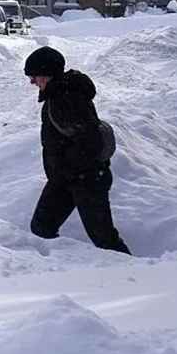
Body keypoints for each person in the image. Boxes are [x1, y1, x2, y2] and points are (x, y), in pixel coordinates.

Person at [24, 46, 131, 254]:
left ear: (48, 74)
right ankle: (62, 272)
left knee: (104, 240)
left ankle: (139, 276)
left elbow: (89, 141)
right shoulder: (58, 96)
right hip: (66, 180)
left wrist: (71, 170)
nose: (32, 82)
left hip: (87, 180)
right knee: (41, 227)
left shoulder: (67, 99)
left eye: (34, 76)